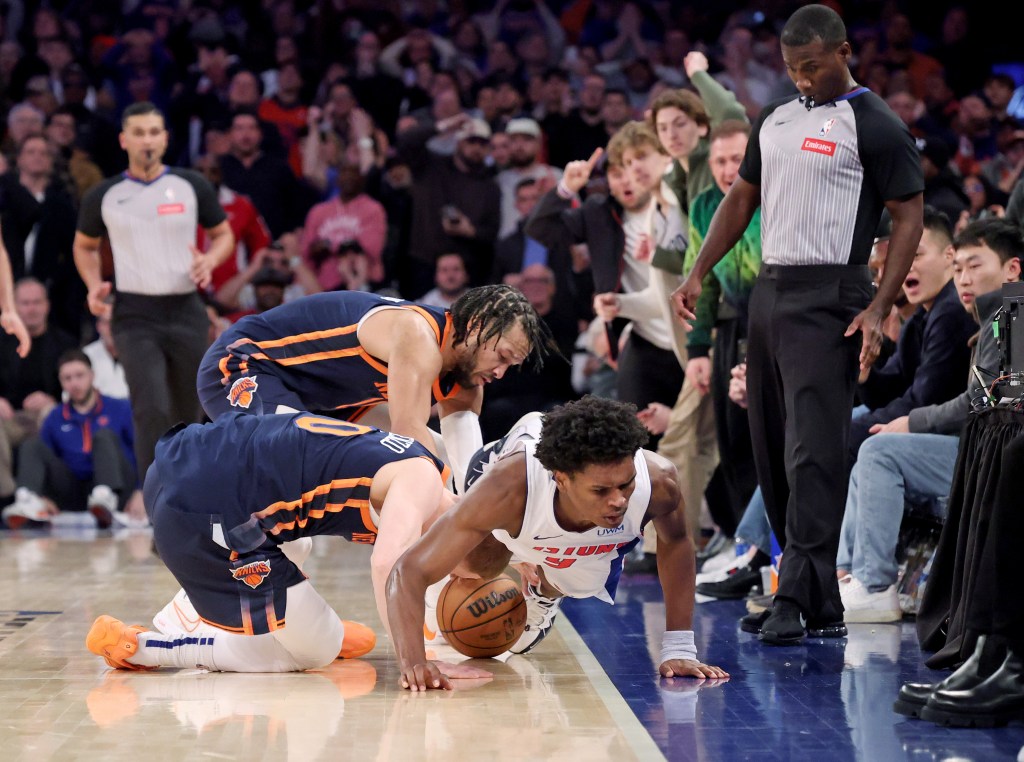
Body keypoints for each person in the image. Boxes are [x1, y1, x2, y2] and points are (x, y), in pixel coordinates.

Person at [673, 4, 924, 645]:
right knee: (771, 444)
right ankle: (811, 594)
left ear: (844, 53)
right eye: (791, 68)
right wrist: (699, 270)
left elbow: (909, 218)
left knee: (814, 450)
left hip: (832, 293)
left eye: (812, 66)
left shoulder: (876, 123)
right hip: (770, 291)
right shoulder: (775, 118)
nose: (803, 78)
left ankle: (796, 590)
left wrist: (878, 304)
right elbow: (741, 198)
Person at [84, 411, 483, 676]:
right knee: (318, 651)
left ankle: (207, 609)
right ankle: (152, 645)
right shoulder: (420, 486)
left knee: (299, 542)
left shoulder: (423, 464)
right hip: (201, 511)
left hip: (183, 455)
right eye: (452, 570)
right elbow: (388, 567)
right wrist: (413, 659)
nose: (440, 572)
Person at [386, 396, 729, 691]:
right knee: (477, 563)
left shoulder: (658, 481)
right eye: (601, 491)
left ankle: (543, 592)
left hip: (564, 539)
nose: (619, 501)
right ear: (561, 478)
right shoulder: (508, 487)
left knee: (584, 585)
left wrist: (679, 647)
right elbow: (408, 570)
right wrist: (414, 661)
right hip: (504, 501)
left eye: (625, 484)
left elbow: (677, 542)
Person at [840, 219, 1023, 624]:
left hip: (999, 460)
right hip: (983, 450)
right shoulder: (995, 316)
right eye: (958, 269)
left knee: (879, 451)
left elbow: (984, 402)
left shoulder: (1014, 314)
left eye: (975, 266)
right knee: (872, 451)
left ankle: (873, 585)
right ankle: (849, 574)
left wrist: (913, 422)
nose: (964, 279)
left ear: (1012, 269)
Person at [196, 285, 552, 467]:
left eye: (512, 366)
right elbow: (409, 440)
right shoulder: (418, 335)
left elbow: (468, 470)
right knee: (296, 469)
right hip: (246, 363)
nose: (501, 373)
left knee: (444, 461)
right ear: (476, 326)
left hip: (321, 399)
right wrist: (464, 528)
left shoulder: (467, 378)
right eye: (502, 356)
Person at [72, 101, 235, 485]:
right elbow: (84, 245)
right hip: (134, 314)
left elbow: (223, 234)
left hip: (186, 310)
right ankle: (157, 508)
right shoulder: (104, 195)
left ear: (165, 139)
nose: (147, 140)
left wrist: (210, 261)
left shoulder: (190, 185)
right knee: (152, 408)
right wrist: (94, 285)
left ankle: (189, 502)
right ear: (124, 139)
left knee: (189, 410)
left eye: (153, 132)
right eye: (139, 132)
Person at [2, 350, 137, 530]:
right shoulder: (55, 417)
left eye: (79, 376)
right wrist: (44, 495)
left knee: (103, 436)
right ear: (61, 382)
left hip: (118, 486)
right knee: (32, 445)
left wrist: (142, 491)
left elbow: (143, 452)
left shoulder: (121, 408)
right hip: (75, 489)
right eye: (67, 378)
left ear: (92, 375)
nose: (74, 383)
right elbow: (45, 460)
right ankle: (28, 499)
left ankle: (105, 495)